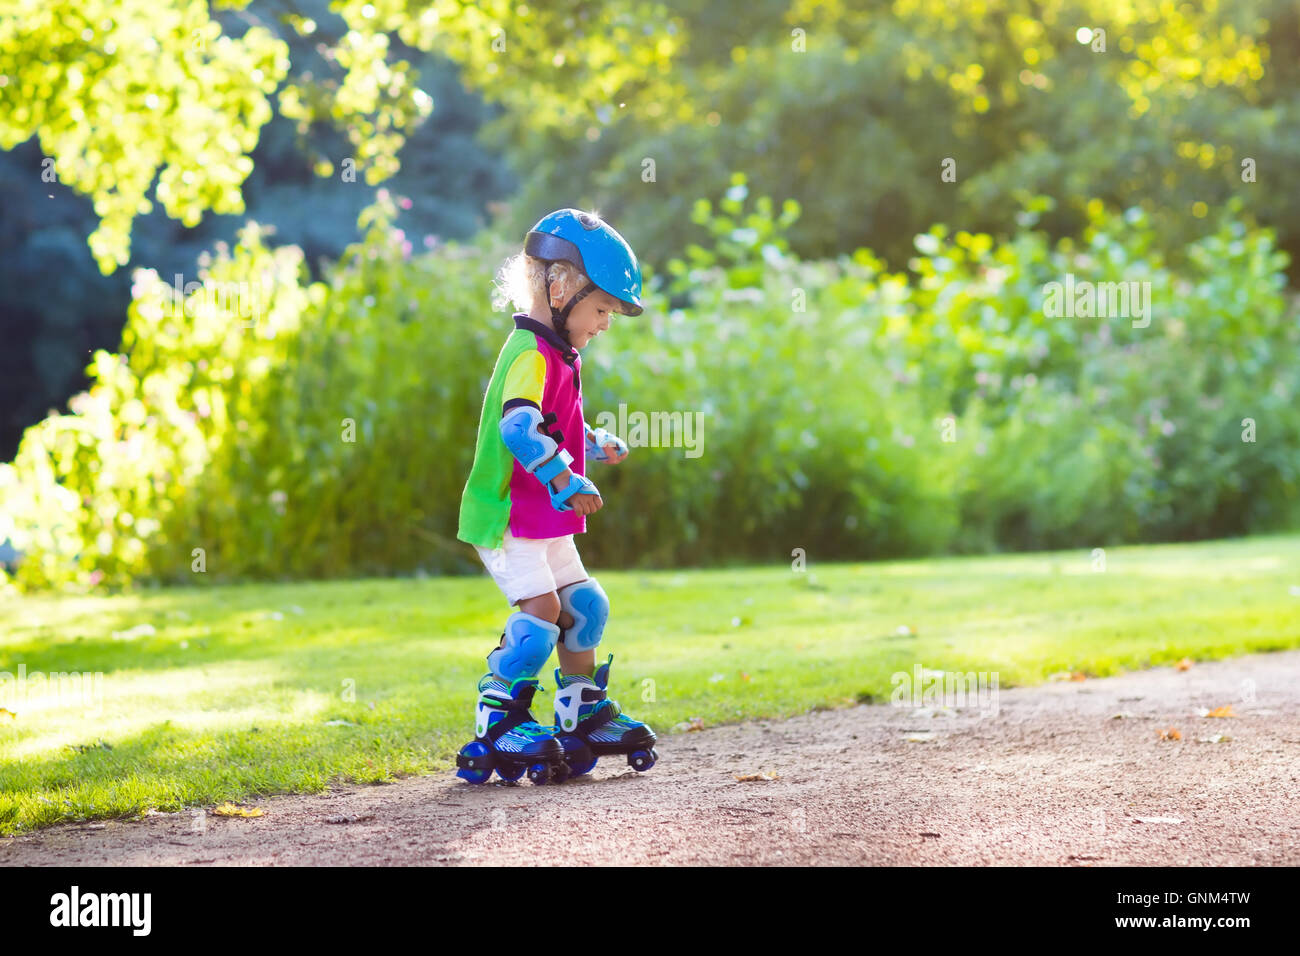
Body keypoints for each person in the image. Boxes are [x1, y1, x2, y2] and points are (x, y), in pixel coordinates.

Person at [453, 208, 658, 785]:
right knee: (543, 612)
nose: (605, 323)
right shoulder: (527, 352)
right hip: (509, 515)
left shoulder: (560, 355)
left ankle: (580, 714)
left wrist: (590, 443)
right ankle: (499, 720)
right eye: (601, 309)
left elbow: (551, 424)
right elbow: (517, 431)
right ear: (560, 287)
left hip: (544, 517)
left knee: (586, 607)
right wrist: (567, 480)